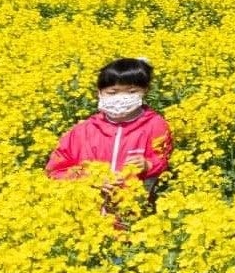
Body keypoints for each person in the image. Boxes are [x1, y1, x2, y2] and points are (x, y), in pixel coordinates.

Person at [46, 57, 173, 198]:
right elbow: (56, 171)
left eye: (131, 92)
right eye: (113, 92)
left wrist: (148, 165)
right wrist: (89, 180)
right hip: (85, 212)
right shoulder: (82, 131)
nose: (121, 98)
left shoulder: (156, 125)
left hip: (133, 212)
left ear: (145, 91)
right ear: (99, 92)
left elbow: (164, 162)